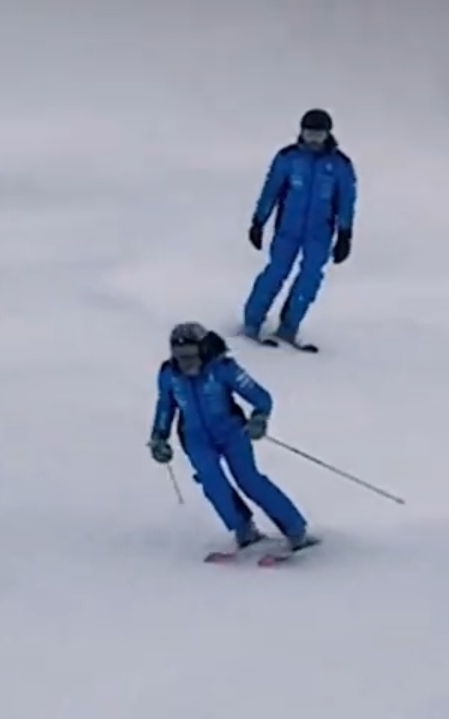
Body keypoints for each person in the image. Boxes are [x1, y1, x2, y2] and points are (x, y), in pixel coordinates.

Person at [148, 321, 310, 552]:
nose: (186, 363)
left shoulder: (223, 368)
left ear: (203, 349)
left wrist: (259, 417)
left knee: (249, 479)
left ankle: (295, 528)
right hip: (195, 438)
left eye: (191, 355)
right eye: (180, 356)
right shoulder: (169, 374)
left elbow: (261, 397)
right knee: (213, 483)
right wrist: (159, 437)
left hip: (232, 432)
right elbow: (165, 405)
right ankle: (243, 529)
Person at [240, 108, 357, 351]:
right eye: (309, 134)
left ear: (327, 135)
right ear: (301, 133)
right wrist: (258, 221)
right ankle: (252, 322)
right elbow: (270, 190)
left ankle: (289, 327)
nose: (313, 140)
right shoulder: (288, 159)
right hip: (288, 230)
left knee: (310, 277)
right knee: (276, 272)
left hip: (319, 233)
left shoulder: (339, 166)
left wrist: (345, 234)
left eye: (318, 135)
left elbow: (346, 200)